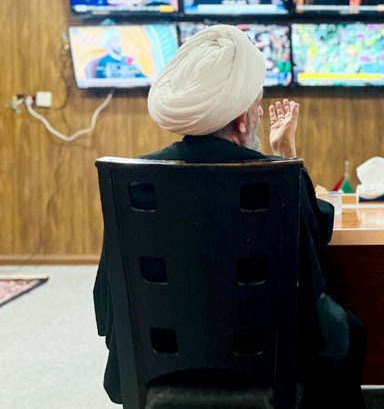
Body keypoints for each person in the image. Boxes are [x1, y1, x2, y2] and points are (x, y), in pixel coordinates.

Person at [93, 25, 365, 408]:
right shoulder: (278, 177)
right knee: (344, 326)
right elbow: (313, 258)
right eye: (257, 106)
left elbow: (105, 303)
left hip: (160, 363)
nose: (259, 113)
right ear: (242, 121)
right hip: (266, 362)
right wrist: (286, 156)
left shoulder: (134, 183)